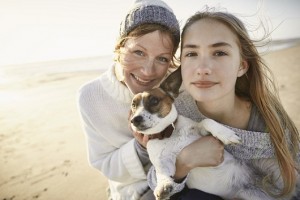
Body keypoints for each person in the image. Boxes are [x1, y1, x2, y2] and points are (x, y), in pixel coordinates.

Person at [78, 1, 227, 199]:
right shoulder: (90, 97)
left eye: (162, 59)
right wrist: (141, 148)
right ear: (120, 47)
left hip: (195, 178)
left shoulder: (180, 86)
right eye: (138, 52)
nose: (148, 72)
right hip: (136, 192)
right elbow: (105, 165)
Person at [148, 9, 300, 199]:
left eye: (219, 53)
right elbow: (156, 179)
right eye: (191, 53)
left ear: (242, 66)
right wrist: (184, 163)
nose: (202, 69)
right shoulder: (173, 108)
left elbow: (291, 185)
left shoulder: (266, 122)